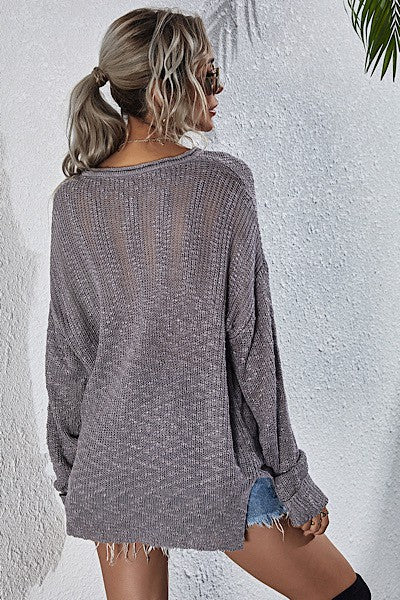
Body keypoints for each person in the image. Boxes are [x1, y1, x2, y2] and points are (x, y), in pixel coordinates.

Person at [45, 7, 371, 600]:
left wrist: (75, 474)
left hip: (115, 466)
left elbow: (69, 354)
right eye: (208, 73)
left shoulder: (73, 200)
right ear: (166, 88)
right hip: (214, 463)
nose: (219, 88)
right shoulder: (222, 185)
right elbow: (254, 346)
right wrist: (290, 476)